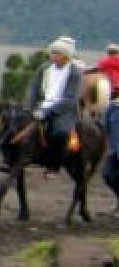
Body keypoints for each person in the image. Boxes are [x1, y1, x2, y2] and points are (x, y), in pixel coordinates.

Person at [27, 36, 82, 177]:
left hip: (64, 110)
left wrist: (47, 111)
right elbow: (34, 88)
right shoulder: (44, 68)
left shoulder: (74, 72)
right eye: (52, 53)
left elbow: (70, 98)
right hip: (41, 106)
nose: (53, 56)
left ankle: (54, 166)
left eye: (57, 53)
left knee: (60, 133)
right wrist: (30, 107)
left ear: (66, 56)